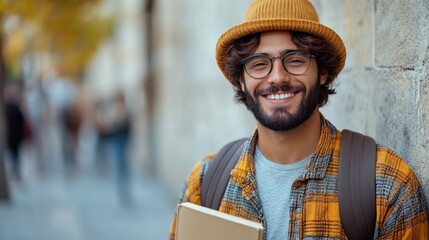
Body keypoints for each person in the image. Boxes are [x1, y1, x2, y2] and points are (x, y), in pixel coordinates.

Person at [169, 0, 429, 239]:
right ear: (241, 79)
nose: (278, 77)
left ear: (323, 72)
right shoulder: (204, 183)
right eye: (259, 64)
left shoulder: (387, 186)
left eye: (295, 60)